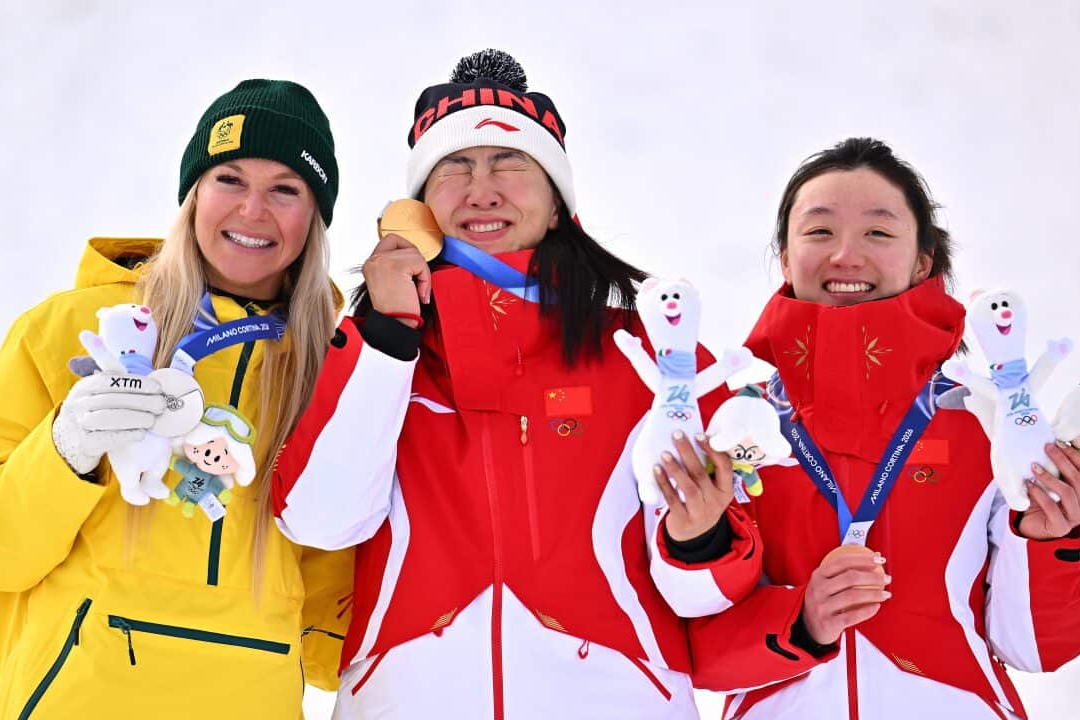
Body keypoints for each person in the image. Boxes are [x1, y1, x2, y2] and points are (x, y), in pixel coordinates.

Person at [271, 49, 760, 719]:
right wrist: (388, 334)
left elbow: (709, 596)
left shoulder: (655, 348)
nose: (482, 190)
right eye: (454, 168)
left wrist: (700, 540)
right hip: (406, 696)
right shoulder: (371, 348)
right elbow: (320, 521)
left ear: (559, 206)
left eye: (510, 163)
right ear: (416, 210)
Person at [0, 79, 353, 719]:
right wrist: (65, 448)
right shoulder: (67, 331)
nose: (252, 211)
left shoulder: (336, 368)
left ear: (315, 216)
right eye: (229, 179)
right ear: (191, 195)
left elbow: (335, 632)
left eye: (285, 189)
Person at [664, 137, 1080, 719]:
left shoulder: (984, 421)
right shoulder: (736, 426)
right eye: (819, 232)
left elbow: (1039, 648)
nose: (846, 255)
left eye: (878, 232)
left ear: (924, 261)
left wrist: (1051, 541)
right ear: (786, 255)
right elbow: (693, 651)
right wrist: (804, 623)